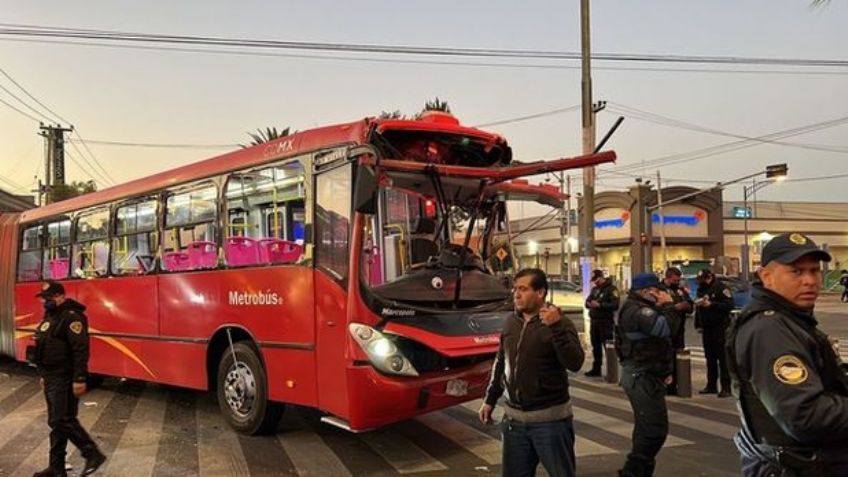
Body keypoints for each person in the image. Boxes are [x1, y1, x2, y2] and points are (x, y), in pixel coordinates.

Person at [726, 233, 848, 476]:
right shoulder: (769, 329)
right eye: (796, 272)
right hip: (796, 465)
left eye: (814, 271)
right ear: (766, 276)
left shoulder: (790, 320)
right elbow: (805, 416)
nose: (809, 281)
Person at [479, 268, 584, 477]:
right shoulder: (510, 322)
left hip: (550, 422)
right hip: (514, 422)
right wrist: (490, 400)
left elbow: (575, 363)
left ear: (540, 292)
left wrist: (556, 328)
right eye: (515, 289)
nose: (516, 294)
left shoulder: (560, 323)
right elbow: (501, 362)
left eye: (523, 289)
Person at [30, 281, 106, 477]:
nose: (45, 301)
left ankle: (92, 453)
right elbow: (43, 345)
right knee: (56, 424)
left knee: (61, 419)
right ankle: (56, 468)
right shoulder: (50, 316)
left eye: (49, 298)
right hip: (51, 377)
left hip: (64, 376)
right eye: (44, 298)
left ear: (61, 296)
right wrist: (43, 375)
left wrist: (79, 378)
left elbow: (80, 350)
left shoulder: (72, 317)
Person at [616, 272, 678, 477]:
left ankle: (641, 472)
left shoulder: (642, 307)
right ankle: (632, 472)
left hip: (647, 373)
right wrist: (669, 305)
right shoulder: (638, 311)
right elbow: (665, 328)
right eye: (656, 291)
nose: (660, 294)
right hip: (641, 376)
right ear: (645, 291)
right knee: (654, 430)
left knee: (646, 429)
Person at [694, 268, 734, 398]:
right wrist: (698, 324)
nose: (702, 282)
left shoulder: (721, 288)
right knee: (710, 357)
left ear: (710, 277)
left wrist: (712, 305)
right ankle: (711, 385)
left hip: (720, 326)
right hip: (707, 327)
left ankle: (726, 387)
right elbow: (699, 310)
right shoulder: (701, 289)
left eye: (704, 279)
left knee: (722, 358)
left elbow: (729, 305)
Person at [659, 267, 693, 396]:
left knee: (678, 357)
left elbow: (690, 305)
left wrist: (686, 306)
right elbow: (658, 307)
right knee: (665, 358)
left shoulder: (680, 290)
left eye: (678, 280)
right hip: (665, 329)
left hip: (679, 329)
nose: (677, 282)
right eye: (674, 280)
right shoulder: (660, 290)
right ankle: (666, 384)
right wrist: (674, 307)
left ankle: (676, 384)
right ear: (667, 278)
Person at [584, 269, 620, 377]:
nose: (595, 282)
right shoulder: (595, 289)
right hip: (594, 321)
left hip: (605, 322)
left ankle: (611, 371)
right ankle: (596, 369)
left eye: (596, 279)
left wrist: (600, 305)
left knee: (608, 347)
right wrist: (589, 304)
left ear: (601, 277)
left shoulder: (611, 289)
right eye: (593, 280)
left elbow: (615, 305)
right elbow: (588, 301)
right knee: (596, 346)